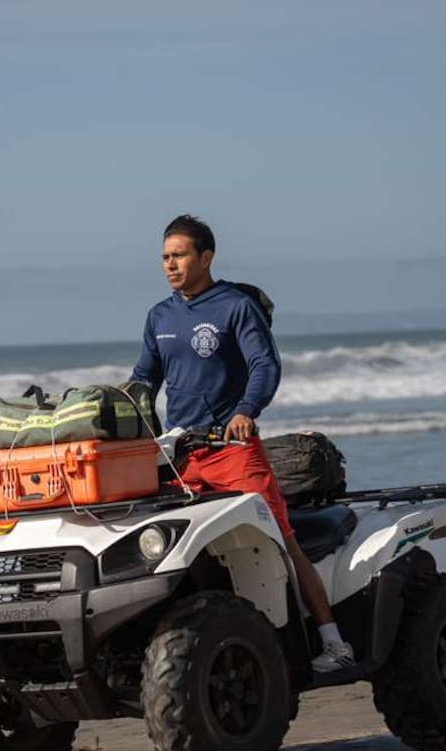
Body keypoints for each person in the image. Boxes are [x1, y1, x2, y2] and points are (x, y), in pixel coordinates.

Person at [131, 214, 355, 673]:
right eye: (165, 258)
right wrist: (126, 418)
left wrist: (245, 411)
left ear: (206, 257)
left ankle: (334, 641)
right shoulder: (160, 316)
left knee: (280, 540)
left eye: (179, 255)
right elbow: (144, 380)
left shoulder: (234, 306)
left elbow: (264, 366)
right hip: (181, 460)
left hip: (233, 452)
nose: (170, 265)